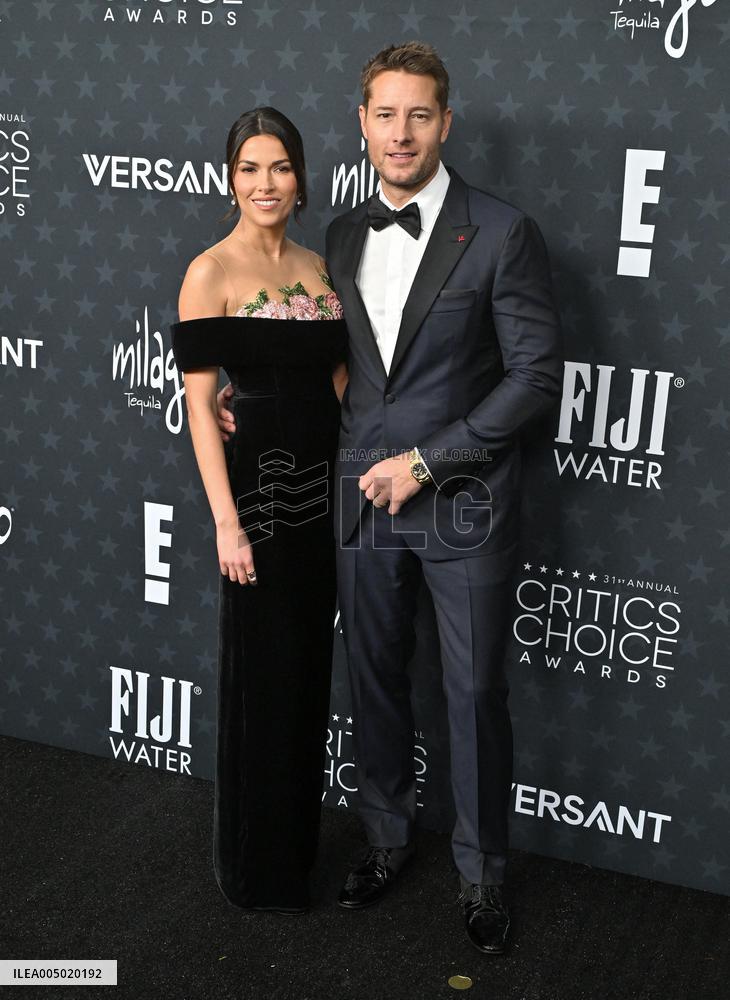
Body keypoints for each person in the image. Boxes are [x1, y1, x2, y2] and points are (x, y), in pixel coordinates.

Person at [216, 41, 562, 953]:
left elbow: (534, 378)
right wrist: (237, 389)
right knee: (372, 680)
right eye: (384, 114)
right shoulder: (335, 235)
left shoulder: (500, 230)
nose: (400, 133)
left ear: (445, 123)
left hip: (465, 503)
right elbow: (334, 364)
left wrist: (429, 463)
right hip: (360, 496)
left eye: (418, 115)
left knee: (474, 689)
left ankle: (482, 875)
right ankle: (383, 837)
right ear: (361, 123)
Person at [170, 106, 347, 914]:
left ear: (301, 178)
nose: (265, 184)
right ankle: (252, 866)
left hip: (324, 494)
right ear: (229, 178)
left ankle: (295, 855)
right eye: (249, 168)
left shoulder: (320, 267)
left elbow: (342, 385)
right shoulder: (210, 273)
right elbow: (203, 409)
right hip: (260, 502)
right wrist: (226, 522)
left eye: (279, 167)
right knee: (262, 680)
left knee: (309, 675)